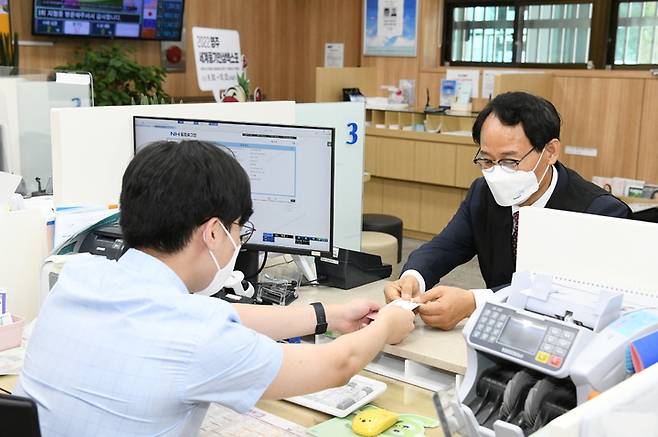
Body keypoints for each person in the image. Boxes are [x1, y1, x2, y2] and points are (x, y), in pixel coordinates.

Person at [15, 140, 416, 436]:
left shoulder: (77, 277)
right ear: (212, 232)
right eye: (239, 228)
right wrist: (389, 324)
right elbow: (337, 366)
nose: (239, 239)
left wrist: (323, 315)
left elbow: (225, 317)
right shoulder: (197, 337)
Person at [384, 92, 631, 330]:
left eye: (510, 161)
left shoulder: (599, 212)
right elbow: (446, 246)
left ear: (550, 151)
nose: (497, 173)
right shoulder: (483, 192)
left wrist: (475, 302)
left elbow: (564, 293)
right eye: (488, 160)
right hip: (497, 331)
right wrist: (414, 278)